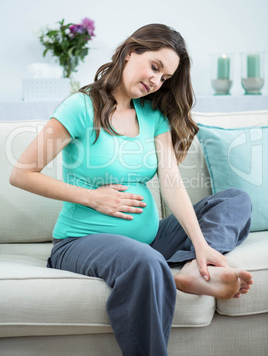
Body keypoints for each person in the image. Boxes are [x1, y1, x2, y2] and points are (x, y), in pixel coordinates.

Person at [10, 24, 253, 356]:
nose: (157, 81)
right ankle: (163, 271)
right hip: (81, 241)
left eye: (165, 77)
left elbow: (171, 181)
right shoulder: (81, 107)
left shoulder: (153, 114)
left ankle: (189, 269)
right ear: (130, 53)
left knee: (234, 201)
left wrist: (201, 247)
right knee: (147, 262)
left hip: (150, 240)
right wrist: (92, 197)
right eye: (155, 67)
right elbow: (22, 174)